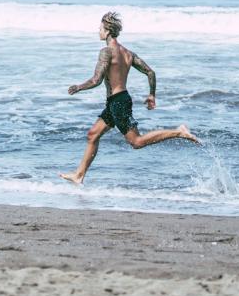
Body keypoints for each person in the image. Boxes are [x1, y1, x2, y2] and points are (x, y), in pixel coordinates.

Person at [59, 11, 199, 184]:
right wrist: (151, 95)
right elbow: (150, 72)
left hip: (118, 102)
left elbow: (97, 79)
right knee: (92, 135)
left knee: (136, 142)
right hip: (117, 101)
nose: (98, 31)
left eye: (100, 28)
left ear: (108, 31)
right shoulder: (128, 53)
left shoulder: (106, 51)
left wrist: (78, 87)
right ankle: (79, 175)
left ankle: (179, 131)